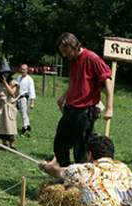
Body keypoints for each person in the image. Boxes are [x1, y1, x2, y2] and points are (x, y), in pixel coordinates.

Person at [52, 32, 113, 167]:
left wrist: (109, 108)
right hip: (70, 109)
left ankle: (80, 182)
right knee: (60, 145)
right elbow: (75, 82)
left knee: (81, 151)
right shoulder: (73, 61)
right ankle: (66, 175)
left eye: (65, 51)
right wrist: (63, 97)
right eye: (62, 52)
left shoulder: (92, 58)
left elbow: (107, 80)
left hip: (85, 111)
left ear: (73, 45)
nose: (64, 55)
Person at [0, 60, 19, 149]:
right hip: (0, 106)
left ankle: (12, 143)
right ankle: (3, 143)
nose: (5, 74)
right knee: (1, 124)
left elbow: (12, 93)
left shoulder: (13, 82)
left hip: (9, 106)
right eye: (4, 73)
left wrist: (5, 83)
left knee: (10, 125)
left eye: (7, 73)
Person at [16, 64, 36, 136]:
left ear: (27, 70)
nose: (22, 71)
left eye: (24, 69)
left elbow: (32, 91)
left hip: (24, 98)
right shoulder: (18, 77)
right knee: (22, 113)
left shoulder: (29, 79)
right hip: (18, 98)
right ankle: (28, 126)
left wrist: (32, 102)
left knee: (23, 114)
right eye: (21, 69)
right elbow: (16, 88)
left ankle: (24, 128)